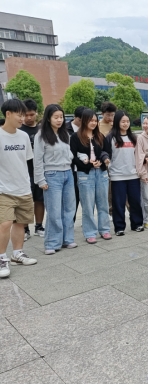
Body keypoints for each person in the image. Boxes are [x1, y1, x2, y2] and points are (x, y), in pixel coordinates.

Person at [0, 99, 38, 278]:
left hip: (23, 187)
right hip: (3, 189)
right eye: (20, 115)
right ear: (8, 114)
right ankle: (2, 258)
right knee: (5, 223)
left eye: (24, 115)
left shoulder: (23, 136)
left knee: (20, 223)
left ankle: (17, 253)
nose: (23, 118)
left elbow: (27, 161)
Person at [34, 104, 77, 255]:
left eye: (61, 117)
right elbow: (37, 160)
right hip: (52, 175)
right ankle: (52, 243)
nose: (59, 120)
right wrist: (41, 180)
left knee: (69, 209)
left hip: (68, 173)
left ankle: (67, 239)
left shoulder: (65, 134)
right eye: (56, 117)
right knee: (54, 210)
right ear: (48, 118)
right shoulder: (41, 136)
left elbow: (69, 153)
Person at [70, 109, 112, 244]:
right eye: (90, 120)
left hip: (101, 173)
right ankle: (89, 233)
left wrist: (102, 161)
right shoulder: (76, 137)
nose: (93, 123)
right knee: (87, 205)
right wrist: (88, 165)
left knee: (103, 203)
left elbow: (107, 151)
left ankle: (105, 230)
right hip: (84, 174)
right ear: (84, 121)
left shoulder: (100, 136)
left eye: (95, 120)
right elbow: (72, 157)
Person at [103, 111, 144, 236]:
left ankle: (137, 224)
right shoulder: (110, 137)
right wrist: (106, 159)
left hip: (133, 174)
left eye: (127, 121)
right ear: (117, 122)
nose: (126, 124)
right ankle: (119, 227)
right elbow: (105, 152)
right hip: (117, 176)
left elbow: (139, 154)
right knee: (118, 203)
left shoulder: (134, 137)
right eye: (123, 121)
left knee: (135, 201)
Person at [19, 99, 45, 241]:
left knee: (40, 200)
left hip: (39, 170)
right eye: (26, 115)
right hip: (24, 171)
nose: (28, 118)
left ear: (36, 113)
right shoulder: (19, 130)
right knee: (26, 201)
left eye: (31, 115)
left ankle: (39, 226)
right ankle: (24, 229)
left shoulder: (42, 130)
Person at [66, 105, 87, 222]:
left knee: (84, 198)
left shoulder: (88, 130)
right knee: (71, 199)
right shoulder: (65, 129)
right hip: (70, 170)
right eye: (80, 120)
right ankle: (70, 223)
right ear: (75, 117)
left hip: (83, 169)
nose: (83, 123)